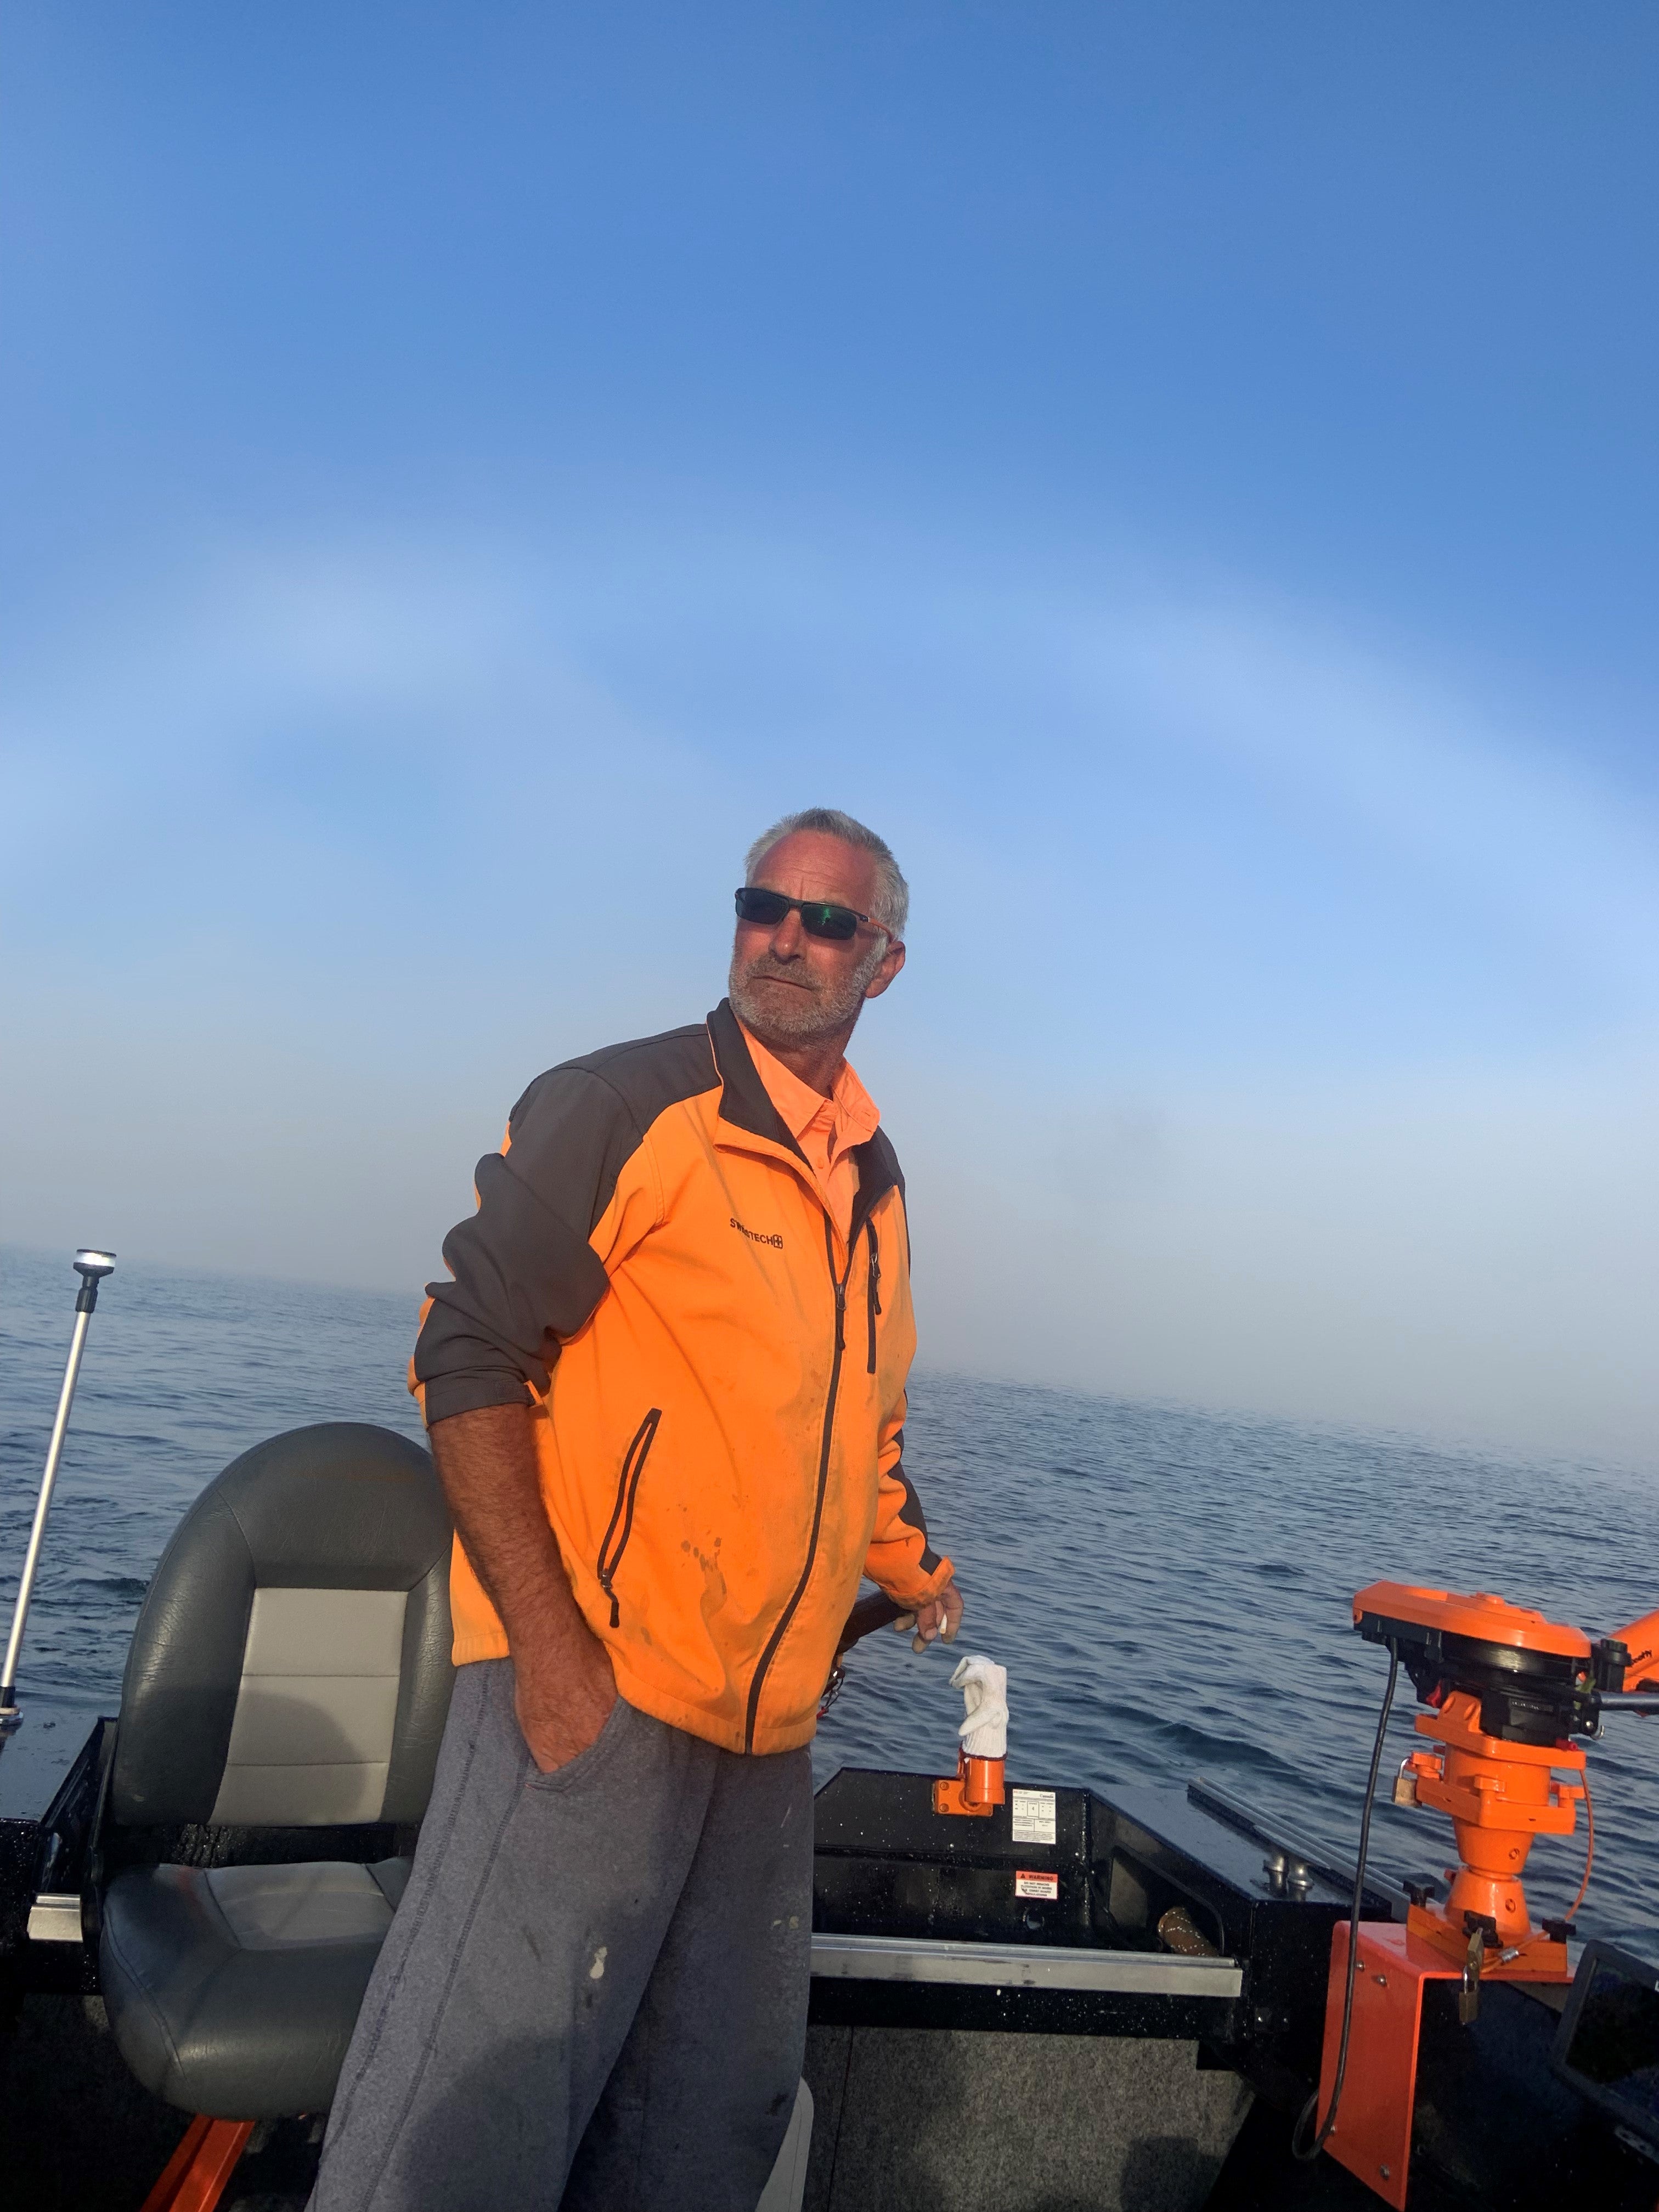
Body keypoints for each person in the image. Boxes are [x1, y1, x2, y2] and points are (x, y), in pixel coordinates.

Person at [311, 806, 963, 2212]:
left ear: (885, 964)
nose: (785, 938)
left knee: (702, 2132)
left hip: (764, 1744)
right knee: (464, 2136)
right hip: (593, 1698)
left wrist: (914, 1569)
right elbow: (465, 1350)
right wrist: (553, 1661)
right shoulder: (627, 1105)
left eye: (826, 919)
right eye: (761, 906)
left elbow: (863, 1421)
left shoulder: (876, 1181)